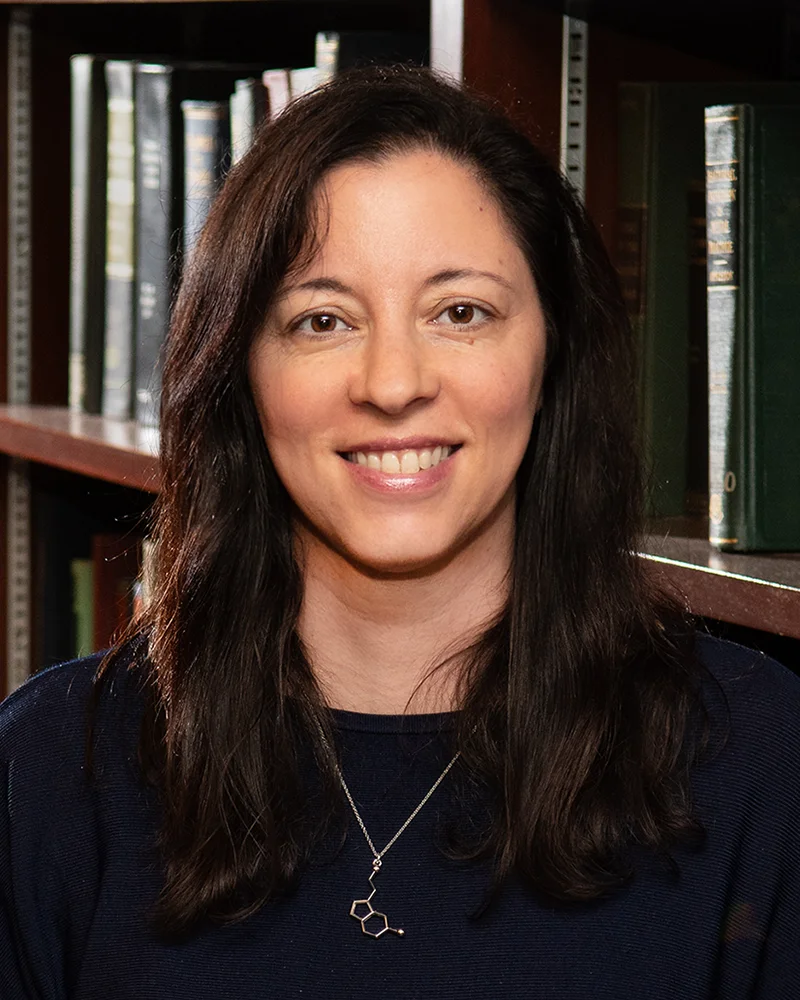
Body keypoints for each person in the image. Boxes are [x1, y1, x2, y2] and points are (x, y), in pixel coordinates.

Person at [1, 66, 799, 1000]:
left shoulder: (762, 763)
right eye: (322, 320)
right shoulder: (49, 770)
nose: (391, 384)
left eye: (460, 312)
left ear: (555, 351)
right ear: (238, 371)